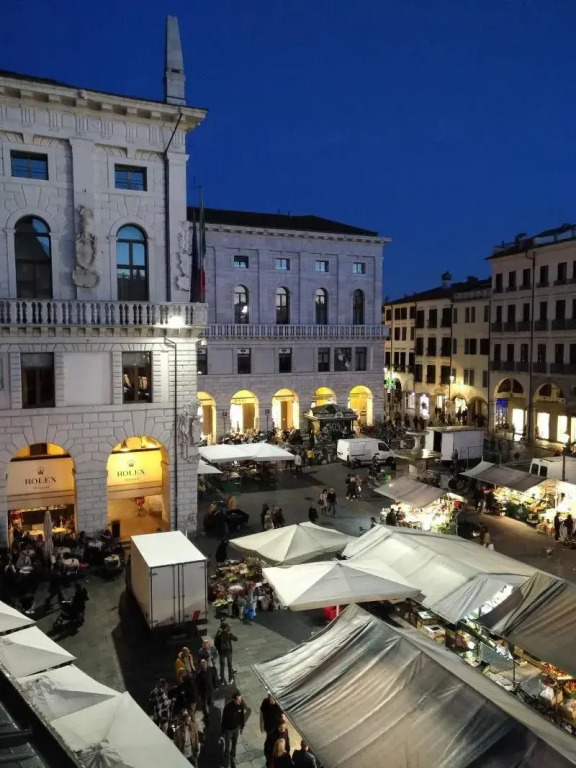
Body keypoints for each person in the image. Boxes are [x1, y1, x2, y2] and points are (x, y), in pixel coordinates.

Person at [221, 691, 248, 768]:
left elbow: (242, 716)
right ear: (234, 700)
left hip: (236, 728)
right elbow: (223, 720)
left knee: (234, 744)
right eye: (238, 700)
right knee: (227, 747)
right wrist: (223, 732)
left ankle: (232, 759)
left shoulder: (241, 706)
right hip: (228, 730)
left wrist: (242, 727)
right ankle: (226, 762)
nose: (240, 701)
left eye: (240, 699)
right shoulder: (227, 708)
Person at [215, 620, 238, 685]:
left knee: (222, 666)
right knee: (229, 665)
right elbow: (236, 639)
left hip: (222, 653)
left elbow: (216, 643)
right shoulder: (228, 634)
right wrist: (230, 632)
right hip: (228, 652)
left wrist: (219, 650)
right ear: (226, 627)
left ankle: (222, 680)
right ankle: (230, 679)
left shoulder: (219, 635)